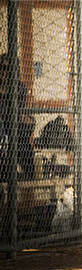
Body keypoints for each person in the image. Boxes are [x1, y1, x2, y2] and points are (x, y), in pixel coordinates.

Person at [0, 53, 35, 181]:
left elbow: (19, 113)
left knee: (24, 128)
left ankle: (27, 172)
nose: (5, 71)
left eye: (8, 68)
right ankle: (7, 172)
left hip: (14, 125)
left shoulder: (19, 87)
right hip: (3, 126)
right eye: (2, 68)